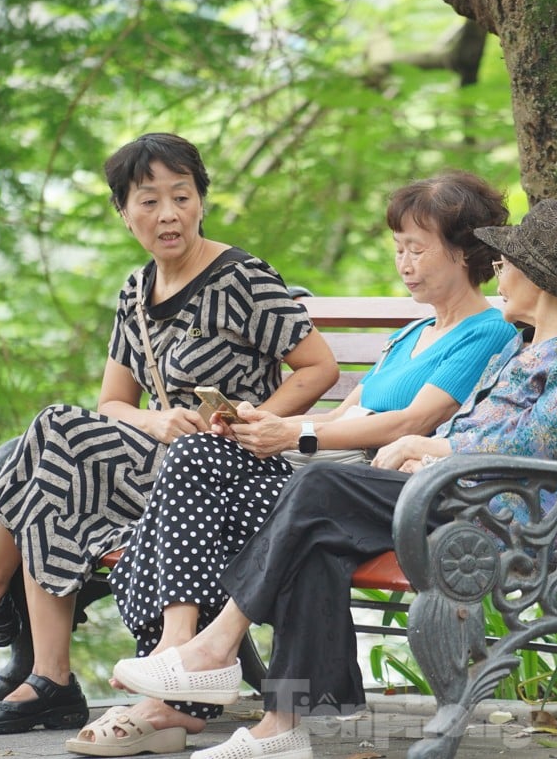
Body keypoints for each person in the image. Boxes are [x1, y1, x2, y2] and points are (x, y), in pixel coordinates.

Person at [106, 198, 557, 759]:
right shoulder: (524, 351)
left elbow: (531, 443)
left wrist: (427, 445)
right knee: (319, 539)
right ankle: (281, 728)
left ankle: (215, 647)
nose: (497, 272)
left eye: (507, 264)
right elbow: (475, 430)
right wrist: (424, 455)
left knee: (316, 490)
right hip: (456, 490)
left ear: (539, 280)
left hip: (510, 511)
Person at [0, 133, 340, 735]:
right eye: (148, 201)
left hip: (231, 469)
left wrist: (257, 422)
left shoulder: (242, 278)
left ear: (201, 202)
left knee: (55, 438)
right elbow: (112, 404)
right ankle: (43, 672)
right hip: (157, 461)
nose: (168, 214)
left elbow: (319, 367)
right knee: (56, 447)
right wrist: (154, 418)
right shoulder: (134, 293)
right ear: (125, 214)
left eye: (181, 197)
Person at [64, 171, 518, 756]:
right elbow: (342, 417)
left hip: (388, 490)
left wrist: (295, 438)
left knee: (299, 516)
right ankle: (220, 684)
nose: (404, 262)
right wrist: (267, 428)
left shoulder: (485, 331)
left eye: (417, 248)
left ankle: (196, 672)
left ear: (464, 252)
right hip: (332, 485)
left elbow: (411, 424)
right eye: (398, 247)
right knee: (205, 452)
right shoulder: (411, 335)